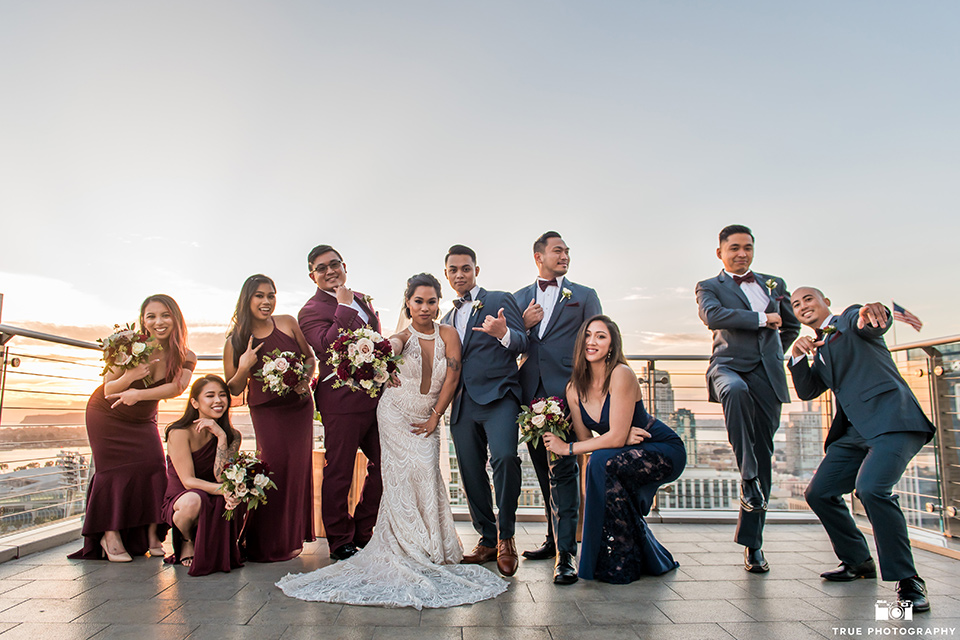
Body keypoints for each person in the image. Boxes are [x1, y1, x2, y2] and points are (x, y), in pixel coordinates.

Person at [278, 274, 507, 608]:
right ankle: (402, 544)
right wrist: (384, 357)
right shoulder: (399, 338)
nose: (425, 308)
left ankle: (432, 545)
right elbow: (389, 351)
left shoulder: (449, 334)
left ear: (438, 303)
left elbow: (453, 374)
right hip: (395, 414)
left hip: (428, 414)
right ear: (408, 303)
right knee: (398, 478)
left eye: (431, 301)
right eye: (418, 301)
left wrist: (436, 416)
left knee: (427, 471)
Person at [788, 288, 935, 612]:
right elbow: (808, 390)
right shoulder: (819, 348)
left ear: (825, 300)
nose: (803, 306)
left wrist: (873, 311)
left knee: (871, 489)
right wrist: (797, 356)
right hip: (854, 433)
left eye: (808, 299)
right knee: (819, 492)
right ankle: (857, 560)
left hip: (892, 422)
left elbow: (870, 321)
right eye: (796, 305)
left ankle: (908, 579)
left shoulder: (850, 319)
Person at [543, 315, 685, 584]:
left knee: (602, 459)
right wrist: (588, 493)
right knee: (600, 461)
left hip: (661, 448)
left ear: (612, 345)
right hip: (620, 454)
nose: (592, 341)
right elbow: (590, 444)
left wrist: (566, 447)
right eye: (587, 335)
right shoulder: (574, 389)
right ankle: (624, 559)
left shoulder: (621, 373)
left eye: (601, 336)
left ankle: (619, 562)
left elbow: (614, 438)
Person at [695, 224, 799, 573]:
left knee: (764, 452)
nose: (742, 253)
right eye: (735, 248)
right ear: (720, 252)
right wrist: (760, 319)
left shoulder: (775, 284)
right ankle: (748, 476)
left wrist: (772, 352)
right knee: (735, 392)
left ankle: (754, 544)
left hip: (768, 375)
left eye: (748, 248)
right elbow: (713, 316)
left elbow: (790, 326)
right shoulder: (710, 286)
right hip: (727, 367)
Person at [70, 294, 196, 562]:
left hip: (142, 418)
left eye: (165, 315)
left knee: (154, 467)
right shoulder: (131, 347)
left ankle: (153, 533)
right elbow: (109, 389)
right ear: (143, 321)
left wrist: (138, 395)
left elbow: (177, 388)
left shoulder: (186, 355)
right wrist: (131, 376)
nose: (158, 322)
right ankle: (109, 534)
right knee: (112, 474)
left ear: (175, 318)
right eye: (151, 316)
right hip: (107, 415)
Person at [513, 231, 601, 584]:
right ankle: (553, 540)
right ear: (539, 257)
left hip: (567, 394)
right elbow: (511, 343)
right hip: (529, 394)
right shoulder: (518, 298)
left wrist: (588, 391)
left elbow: (596, 343)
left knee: (563, 472)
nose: (564, 255)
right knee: (543, 470)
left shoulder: (585, 295)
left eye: (567, 251)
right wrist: (524, 324)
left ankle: (567, 554)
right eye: (557, 250)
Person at [440, 244, 527, 577]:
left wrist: (503, 333)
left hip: (500, 396)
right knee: (470, 471)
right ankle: (487, 539)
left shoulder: (500, 299)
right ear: (446, 274)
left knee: (505, 458)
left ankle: (507, 537)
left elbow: (523, 342)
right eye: (453, 270)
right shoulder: (446, 319)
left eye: (466, 268)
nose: (460, 274)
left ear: (476, 270)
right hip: (462, 402)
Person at [298, 245, 382, 561]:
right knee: (340, 472)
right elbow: (325, 345)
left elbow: (376, 342)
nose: (330, 270)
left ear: (344, 266)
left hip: (375, 398)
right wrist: (343, 307)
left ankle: (363, 530)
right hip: (341, 401)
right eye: (322, 268)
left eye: (335, 264)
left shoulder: (362, 298)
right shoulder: (309, 311)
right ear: (312, 275)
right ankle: (339, 540)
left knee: (386, 466)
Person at [225, 274, 316, 562]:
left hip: (299, 408)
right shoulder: (236, 340)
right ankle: (262, 542)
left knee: (297, 470)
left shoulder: (288, 322)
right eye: (259, 296)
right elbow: (234, 388)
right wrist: (244, 366)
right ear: (247, 299)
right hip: (267, 411)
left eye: (271, 295)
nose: (266, 302)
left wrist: (304, 379)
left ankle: (288, 539)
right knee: (273, 469)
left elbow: (310, 359)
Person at [162, 375, 243, 576]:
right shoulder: (179, 432)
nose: (218, 400)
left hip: (213, 489)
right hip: (184, 495)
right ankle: (187, 539)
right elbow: (188, 481)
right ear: (195, 402)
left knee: (243, 497)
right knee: (193, 501)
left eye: (222, 395)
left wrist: (222, 437)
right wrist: (226, 491)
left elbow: (220, 477)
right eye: (210, 396)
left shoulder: (233, 435)